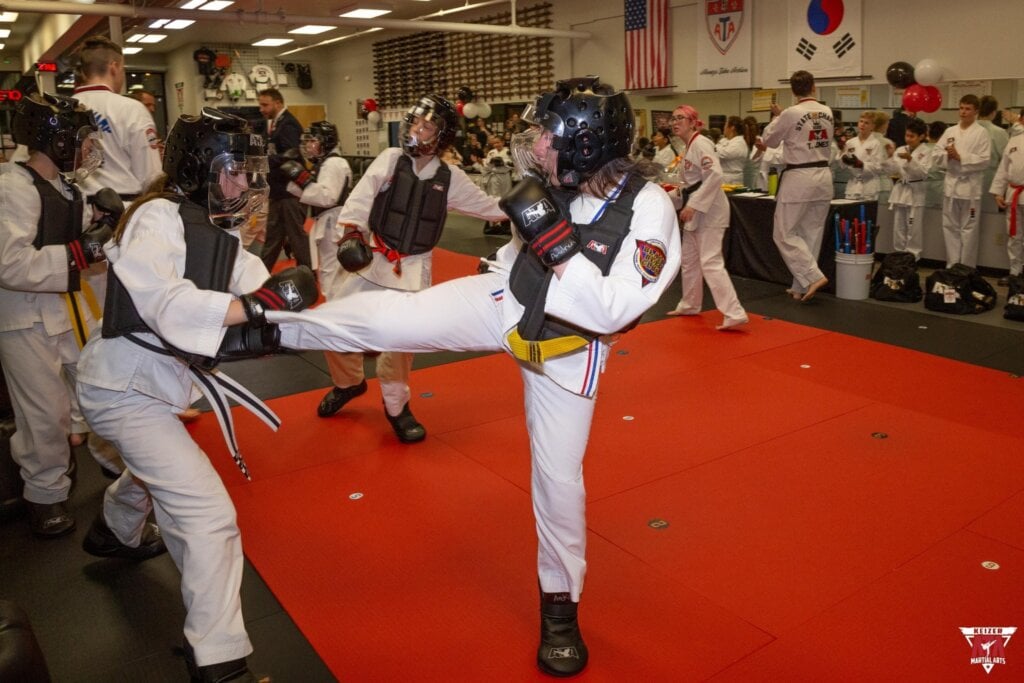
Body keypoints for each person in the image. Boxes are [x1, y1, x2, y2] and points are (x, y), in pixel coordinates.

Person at [268, 76, 680, 677]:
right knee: (396, 319)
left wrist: (556, 242)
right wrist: (532, 240)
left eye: (545, 134)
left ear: (584, 143)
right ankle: (267, 327)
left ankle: (560, 604)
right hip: (506, 297)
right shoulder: (551, 181)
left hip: (568, 349)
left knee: (557, 481)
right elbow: (520, 247)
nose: (534, 144)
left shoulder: (648, 207)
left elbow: (616, 310)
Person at [75, 108, 319, 682]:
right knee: (207, 515)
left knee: (158, 472)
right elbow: (169, 305)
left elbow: (260, 287)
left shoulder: (221, 233)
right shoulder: (155, 216)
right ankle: (219, 660)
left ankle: (111, 530)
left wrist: (352, 318)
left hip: (158, 387)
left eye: (249, 173)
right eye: (233, 171)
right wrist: (260, 306)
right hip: (121, 387)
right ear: (197, 164)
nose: (244, 184)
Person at [319, 94, 507, 442]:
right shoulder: (391, 159)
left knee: (398, 346)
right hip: (373, 259)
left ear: (442, 136)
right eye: (416, 123)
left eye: (428, 126)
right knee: (333, 323)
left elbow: (488, 208)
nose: (417, 130)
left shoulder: (451, 178)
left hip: (412, 270)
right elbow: (362, 195)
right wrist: (350, 232)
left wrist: (523, 203)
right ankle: (349, 384)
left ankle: (397, 408)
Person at [0, 93, 109, 537]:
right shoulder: (11, 187)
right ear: (56, 140)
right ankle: (44, 495)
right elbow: (9, 263)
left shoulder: (65, 186)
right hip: (23, 316)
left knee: (100, 389)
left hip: (67, 307)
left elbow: (66, 232)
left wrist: (98, 220)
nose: (86, 149)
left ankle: (115, 463)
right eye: (79, 139)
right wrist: (81, 251)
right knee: (44, 415)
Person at [666, 105, 748, 329]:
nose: (675, 122)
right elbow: (688, 186)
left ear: (693, 122)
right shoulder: (687, 147)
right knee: (689, 261)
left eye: (680, 118)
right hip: (697, 212)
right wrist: (661, 196)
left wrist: (693, 204)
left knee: (710, 262)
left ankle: (734, 312)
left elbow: (715, 175)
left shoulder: (701, 143)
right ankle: (690, 303)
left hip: (711, 211)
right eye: (673, 118)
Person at [759, 70, 834, 302]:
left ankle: (812, 276)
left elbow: (768, 140)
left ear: (792, 91)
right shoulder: (827, 110)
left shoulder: (790, 113)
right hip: (823, 175)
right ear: (813, 87)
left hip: (799, 176)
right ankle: (800, 285)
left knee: (783, 233)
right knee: (810, 231)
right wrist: (784, 118)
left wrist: (778, 118)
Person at [71, 37, 163, 199]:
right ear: (114, 67)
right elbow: (151, 176)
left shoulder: (61, 109)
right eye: (122, 69)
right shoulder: (131, 109)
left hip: (75, 210)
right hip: (122, 209)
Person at [933, 94, 991, 268]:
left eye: (967, 109)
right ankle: (952, 266)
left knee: (969, 230)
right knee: (949, 227)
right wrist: (948, 156)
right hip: (951, 186)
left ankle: (966, 268)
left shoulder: (981, 133)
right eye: (961, 108)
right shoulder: (950, 131)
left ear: (976, 112)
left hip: (970, 189)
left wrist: (961, 157)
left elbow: (985, 160)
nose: (963, 112)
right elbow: (936, 154)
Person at [257, 87, 308, 270]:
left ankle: (308, 272)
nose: (261, 109)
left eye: (265, 105)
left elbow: (292, 154)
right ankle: (261, 274)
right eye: (260, 105)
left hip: (290, 189)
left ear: (278, 103)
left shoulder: (289, 124)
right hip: (278, 189)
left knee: (296, 235)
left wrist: (265, 161)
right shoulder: (273, 124)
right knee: (273, 234)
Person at [884, 117, 933, 260]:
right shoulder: (901, 149)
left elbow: (923, 173)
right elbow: (894, 170)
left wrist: (910, 160)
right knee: (898, 228)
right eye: (907, 135)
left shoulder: (926, 152)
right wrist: (888, 158)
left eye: (912, 136)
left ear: (922, 136)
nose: (908, 139)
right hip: (900, 192)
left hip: (916, 192)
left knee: (913, 229)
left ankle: (912, 258)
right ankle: (899, 256)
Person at [990, 133, 1024, 285]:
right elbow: (1003, 168)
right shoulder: (1014, 140)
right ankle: (1015, 272)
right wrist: (998, 191)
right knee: (1014, 235)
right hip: (1014, 194)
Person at [834, 111, 890, 200]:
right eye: (861, 121)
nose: (862, 125)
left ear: (873, 126)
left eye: (866, 123)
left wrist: (861, 164)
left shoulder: (876, 143)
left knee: (867, 213)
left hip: (869, 185)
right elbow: (841, 166)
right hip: (853, 185)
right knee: (851, 213)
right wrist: (842, 153)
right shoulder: (850, 142)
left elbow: (878, 167)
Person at [978, 95, 1009, 214]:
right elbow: (1006, 160)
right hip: (990, 180)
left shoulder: (968, 129)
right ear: (994, 112)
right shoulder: (999, 133)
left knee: (971, 215)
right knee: (989, 217)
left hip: (968, 179)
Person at [715, 116, 749, 185]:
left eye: (725, 125)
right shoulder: (724, 140)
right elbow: (714, 151)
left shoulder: (739, 143)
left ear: (732, 128)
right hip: (722, 177)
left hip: (733, 180)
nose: (723, 128)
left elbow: (723, 154)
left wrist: (713, 148)